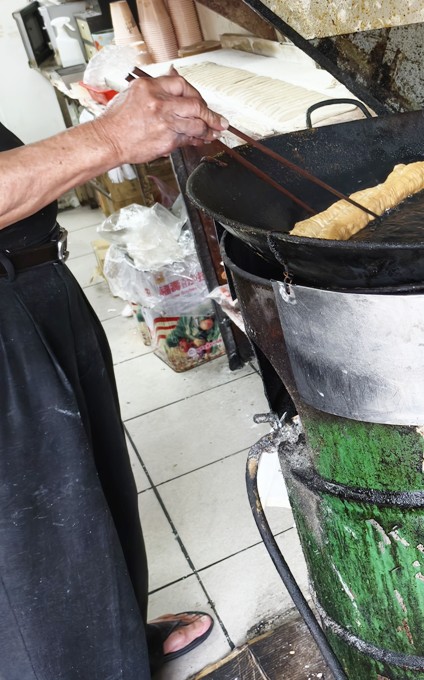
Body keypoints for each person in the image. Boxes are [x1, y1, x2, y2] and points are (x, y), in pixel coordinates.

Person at [0, 72, 228, 678]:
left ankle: (111, 639)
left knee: (93, 492)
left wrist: (123, 137)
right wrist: (107, 137)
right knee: (34, 539)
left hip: (31, 283)